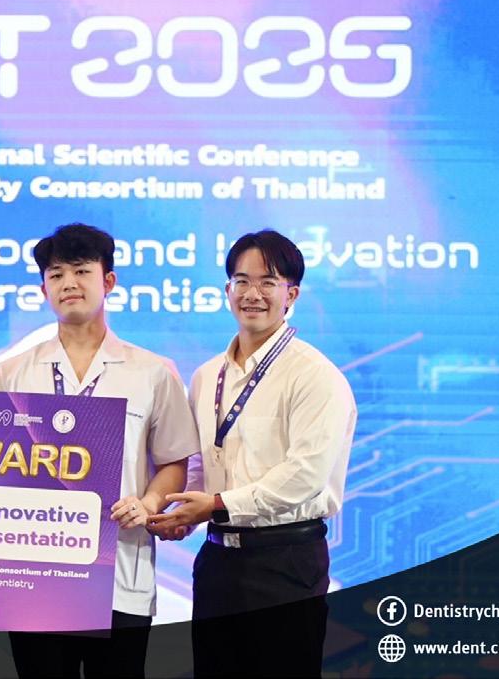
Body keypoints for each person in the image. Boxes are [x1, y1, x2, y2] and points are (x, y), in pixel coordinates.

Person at [0, 223, 198, 679]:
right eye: (56, 274)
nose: (69, 283)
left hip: (119, 571)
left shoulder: (152, 372)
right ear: (43, 288)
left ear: (108, 281)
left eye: (81, 271)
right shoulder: (11, 374)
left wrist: (149, 503)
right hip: (35, 578)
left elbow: (174, 461)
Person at [148, 229, 357, 678]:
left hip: (285, 563)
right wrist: (182, 512)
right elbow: (203, 461)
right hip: (218, 563)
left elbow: (305, 476)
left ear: (291, 294)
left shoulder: (314, 376)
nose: (252, 294)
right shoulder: (207, 376)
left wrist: (215, 504)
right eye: (241, 281)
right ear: (228, 290)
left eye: (268, 282)